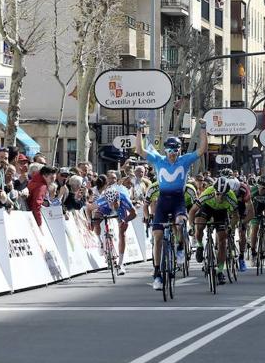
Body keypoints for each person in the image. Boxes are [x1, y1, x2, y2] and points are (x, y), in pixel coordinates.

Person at [136, 118, 207, 291]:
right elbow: (140, 150)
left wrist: (203, 128)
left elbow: (203, 149)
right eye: (169, 150)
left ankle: (181, 246)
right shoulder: (159, 159)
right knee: (158, 237)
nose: (172, 153)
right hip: (162, 201)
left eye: (175, 150)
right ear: (165, 150)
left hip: (178, 199)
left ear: (179, 150)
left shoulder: (184, 160)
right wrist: (139, 130)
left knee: (181, 221)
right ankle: (157, 273)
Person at [189, 177, 238, 285]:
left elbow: (235, 216)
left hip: (221, 213)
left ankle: (220, 271)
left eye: (223, 195)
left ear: (227, 193)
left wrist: (231, 226)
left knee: (222, 241)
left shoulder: (231, 197)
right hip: (208, 208)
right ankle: (200, 245)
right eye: (218, 194)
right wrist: (192, 227)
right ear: (214, 191)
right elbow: (192, 211)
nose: (220, 197)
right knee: (200, 225)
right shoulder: (208, 192)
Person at [90, 186, 137, 275]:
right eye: (110, 203)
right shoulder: (102, 200)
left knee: (122, 232)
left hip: (121, 209)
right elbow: (88, 208)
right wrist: (90, 221)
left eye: (115, 203)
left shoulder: (124, 198)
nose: (113, 206)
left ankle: (120, 264)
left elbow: (134, 213)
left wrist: (125, 220)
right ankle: (100, 242)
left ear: (118, 199)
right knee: (96, 221)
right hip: (105, 208)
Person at [227, 177, 254, 272]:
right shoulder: (223, 189)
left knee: (242, 232)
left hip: (241, 207)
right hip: (227, 208)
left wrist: (243, 222)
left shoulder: (244, 190)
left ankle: (241, 257)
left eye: (235, 193)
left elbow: (251, 212)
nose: (233, 194)